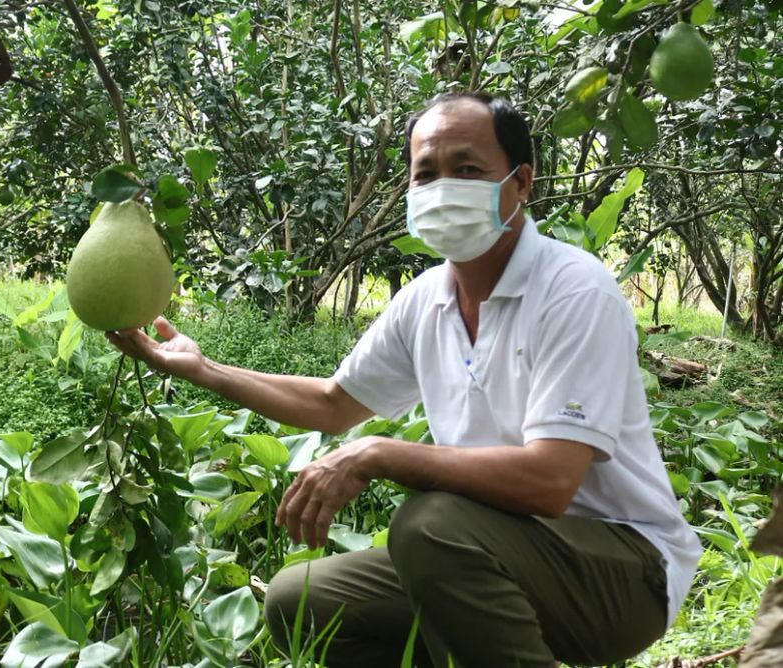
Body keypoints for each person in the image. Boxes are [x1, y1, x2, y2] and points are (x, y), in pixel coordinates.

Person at [106, 92, 702, 668]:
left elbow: (550, 482)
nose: (443, 187)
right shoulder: (427, 300)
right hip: (500, 547)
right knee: (303, 601)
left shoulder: (572, 290)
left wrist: (378, 454)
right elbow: (334, 404)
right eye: (426, 174)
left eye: (467, 168)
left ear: (520, 183)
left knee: (430, 527)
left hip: (625, 569)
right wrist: (205, 369)